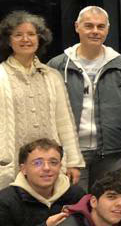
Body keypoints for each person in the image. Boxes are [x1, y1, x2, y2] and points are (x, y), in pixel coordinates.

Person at [48, 6, 121, 189]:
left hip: (112, 152)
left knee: (107, 206)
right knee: (75, 208)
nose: (95, 31)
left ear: (107, 28)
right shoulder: (57, 65)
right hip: (72, 154)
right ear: (77, 27)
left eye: (100, 26)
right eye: (89, 26)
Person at [0, 11, 84, 190]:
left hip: (50, 166)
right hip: (10, 167)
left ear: (40, 39)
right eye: (18, 35)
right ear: (9, 40)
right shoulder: (1, 76)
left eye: (31, 34)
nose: (25, 39)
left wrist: (73, 162)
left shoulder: (52, 76)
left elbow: (65, 122)